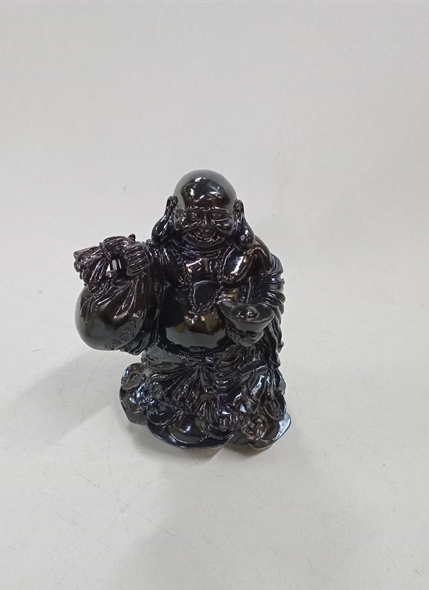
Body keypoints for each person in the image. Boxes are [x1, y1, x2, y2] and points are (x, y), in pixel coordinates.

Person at [74, 170, 290, 449]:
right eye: (193, 216)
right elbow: (138, 296)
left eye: (217, 217)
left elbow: (269, 281)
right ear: (172, 210)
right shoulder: (161, 253)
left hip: (231, 357)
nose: (205, 227)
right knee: (166, 398)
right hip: (171, 356)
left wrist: (258, 312)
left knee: (244, 391)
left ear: (237, 213)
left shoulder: (249, 253)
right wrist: (130, 271)